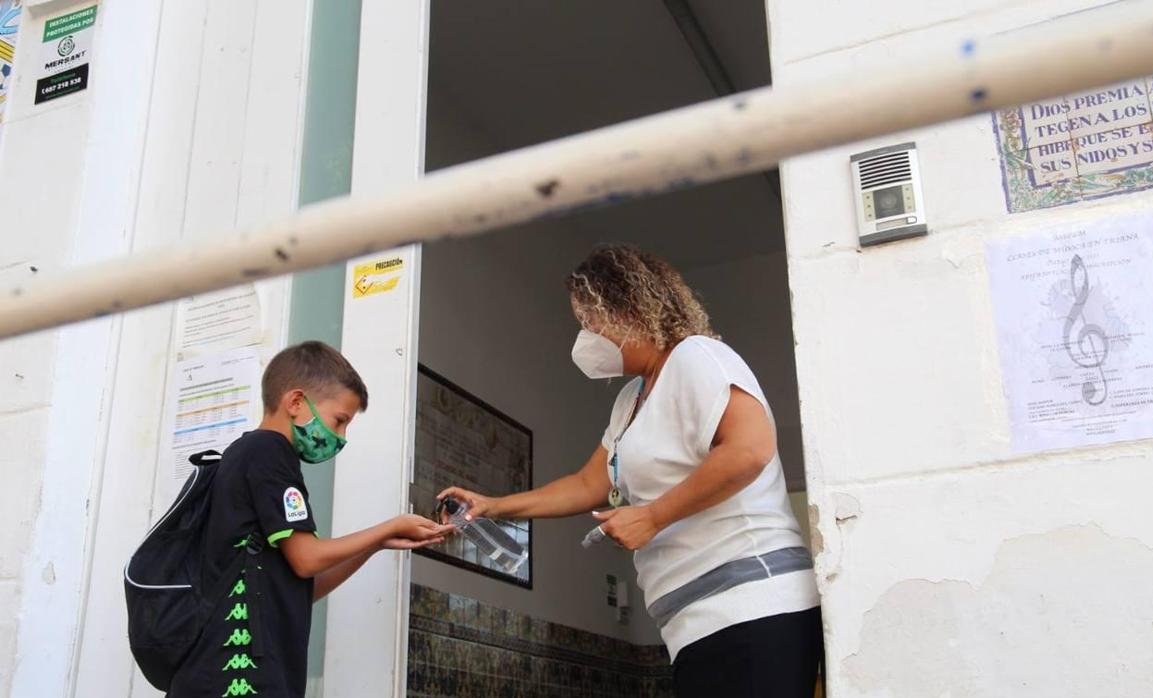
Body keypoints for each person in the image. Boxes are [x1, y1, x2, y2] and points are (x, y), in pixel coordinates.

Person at [440, 245, 823, 697]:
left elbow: (750, 449)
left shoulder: (696, 357)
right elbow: (587, 484)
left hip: (752, 607)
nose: (584, 337)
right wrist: (493, 507)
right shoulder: (630, 402)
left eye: (588, 321)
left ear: (626, 310)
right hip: (693, 624)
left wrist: (653, 516)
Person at [167, 341, 452, 698]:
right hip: (236, 679)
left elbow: (303, 586)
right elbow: (307, 559)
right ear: (296, 402)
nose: (340, 437)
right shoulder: (269, 453)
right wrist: (388, 526)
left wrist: (378, 543)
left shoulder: (250, 456)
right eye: (340, 420)